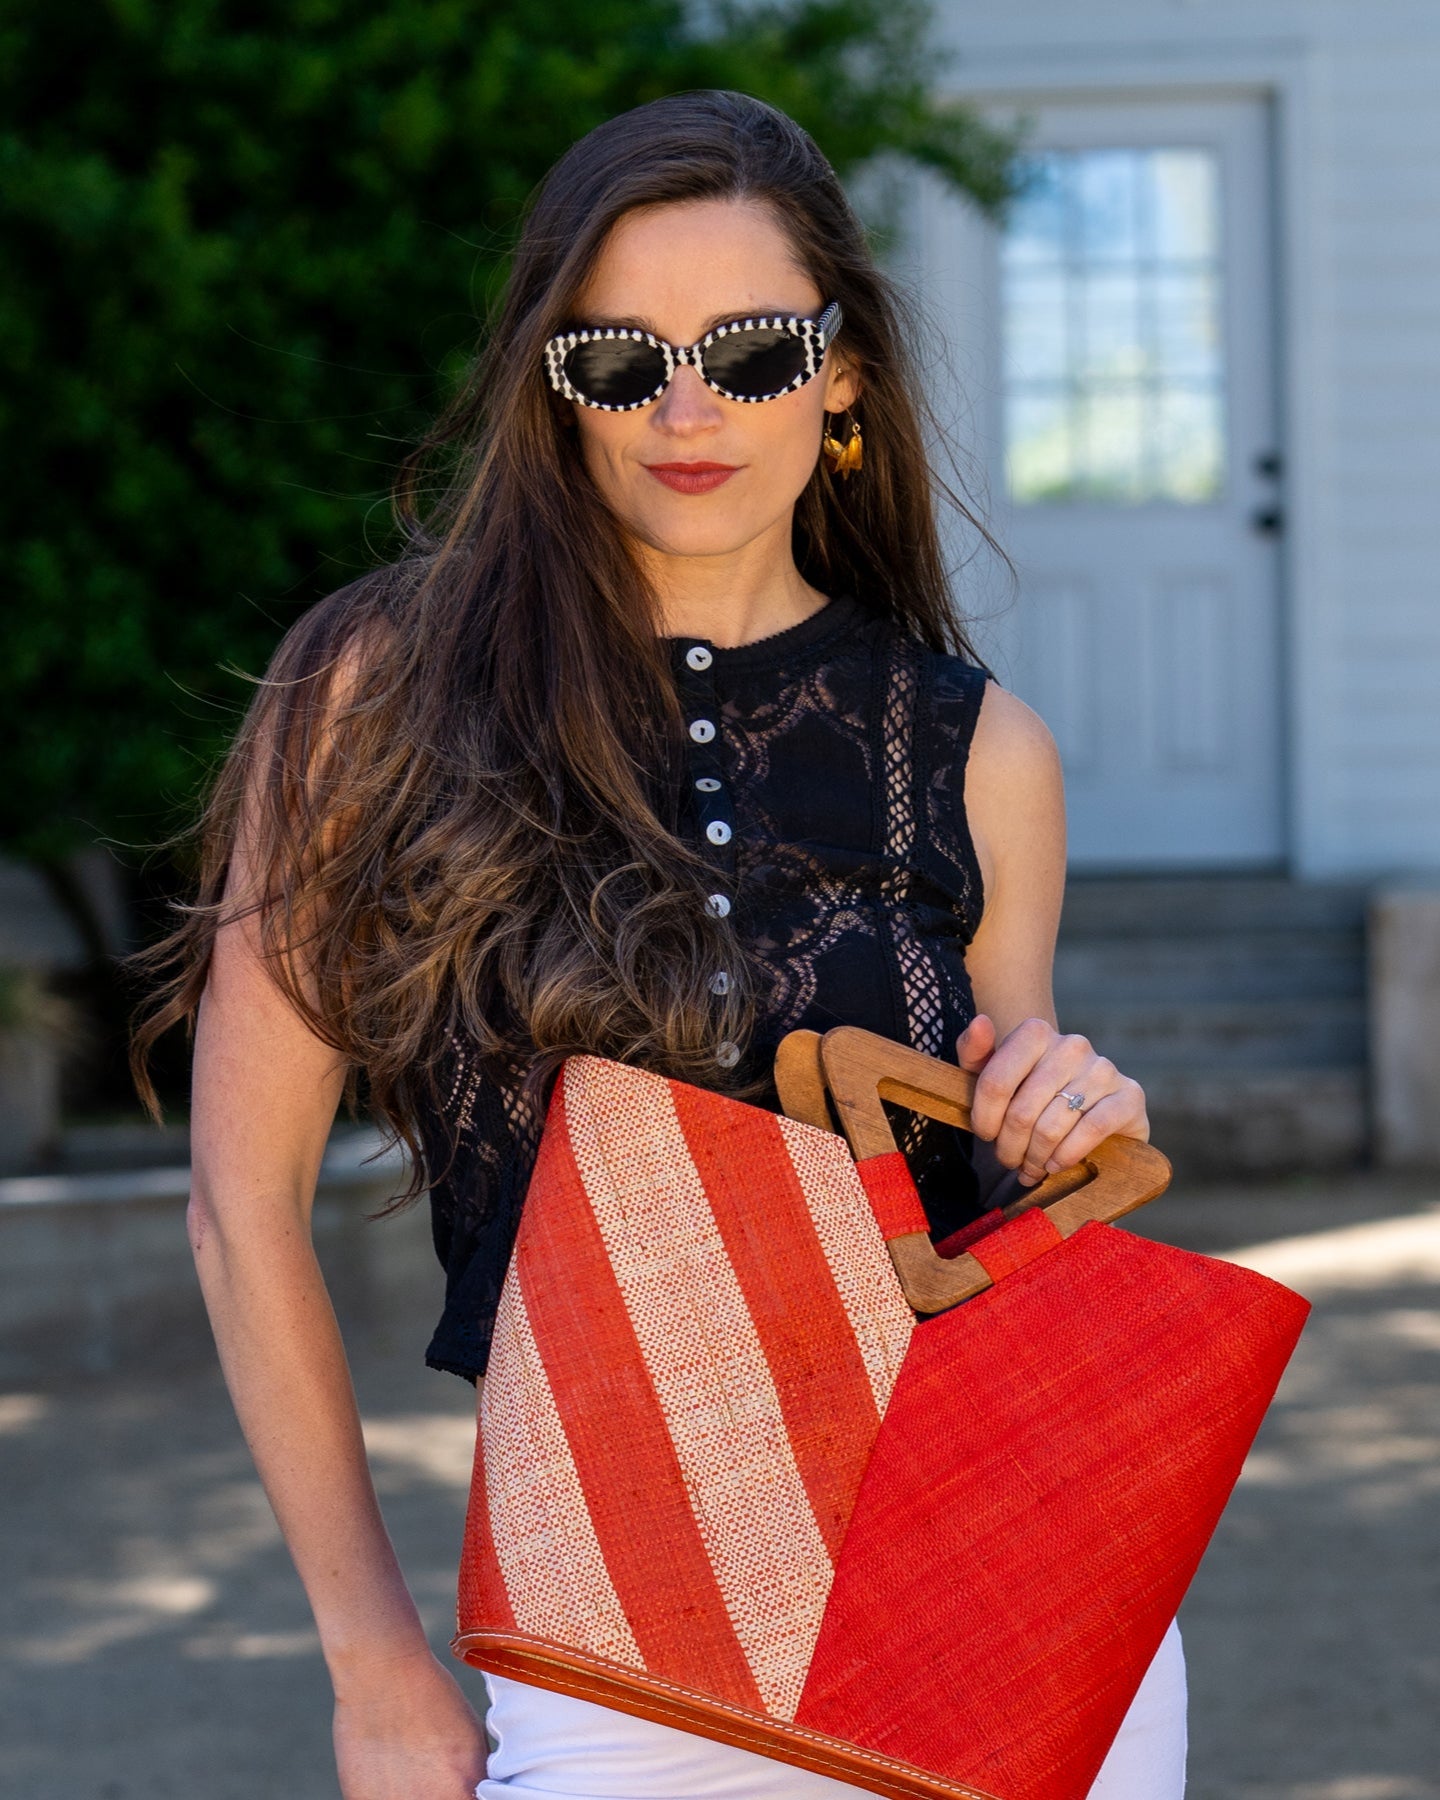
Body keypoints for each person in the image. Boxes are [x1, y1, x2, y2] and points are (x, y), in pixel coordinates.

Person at [134, 88, 1186, 1800]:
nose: (685, 410)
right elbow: (240, 1209)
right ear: (552, 388)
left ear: (842, 375)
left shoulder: (980, 747)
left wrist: (1070, 1119)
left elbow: (998, 1193)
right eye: (619, 359)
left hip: (1007, 1572)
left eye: (752, 352)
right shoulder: (377, 698)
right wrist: (371, 1662)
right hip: (612, 1627)